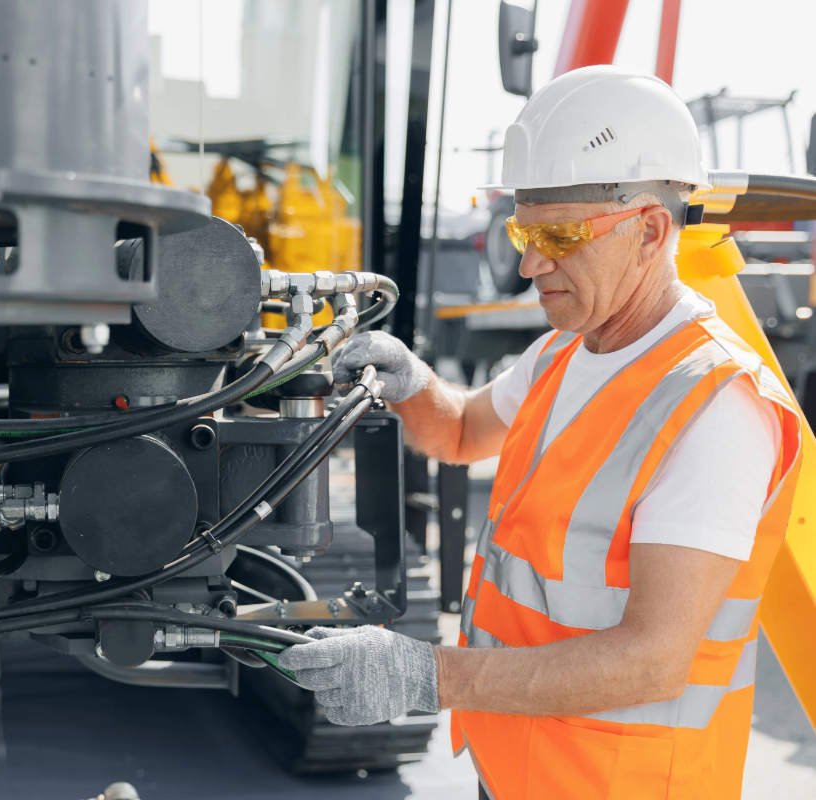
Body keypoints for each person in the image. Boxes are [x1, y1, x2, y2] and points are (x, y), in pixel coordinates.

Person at [278, 66, 802, 799]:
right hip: (525, 766)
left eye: (557, 233)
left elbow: (652, 660)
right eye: (522, 231)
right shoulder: (566, 349)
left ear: (650, 230)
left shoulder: (715, 406)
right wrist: (411, 383)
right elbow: (461, 432)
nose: (529, 263)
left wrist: (429, 675)